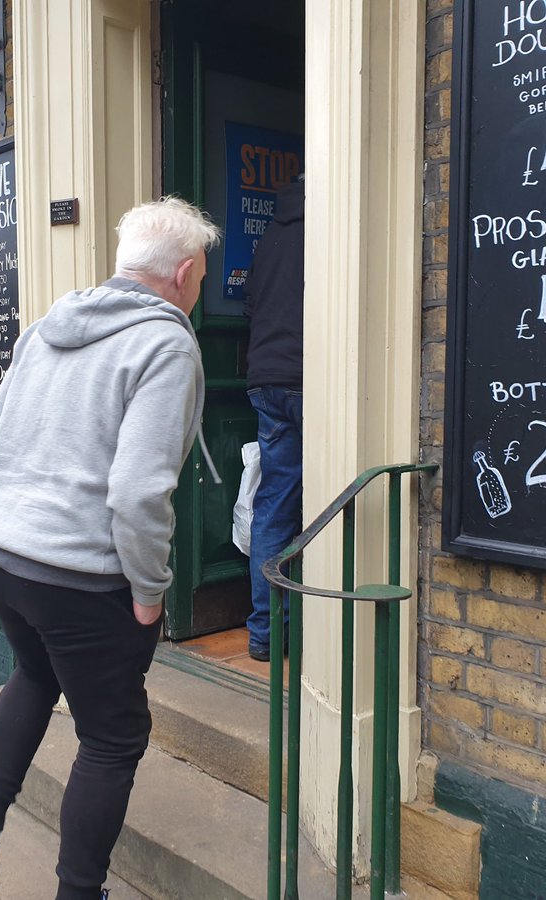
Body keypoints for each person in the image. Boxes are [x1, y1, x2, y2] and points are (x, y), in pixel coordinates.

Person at [0, 197, 220, 900]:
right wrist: (151, 594)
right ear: (185, 273)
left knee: (34, 677)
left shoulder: (45, 326)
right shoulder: (167, 344)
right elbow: (136, 492)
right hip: (79, 577)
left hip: (0, 554)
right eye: (204, 276)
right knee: (112, 736)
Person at [244, 177, 304, 662]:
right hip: (309, 379)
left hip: (264, 379)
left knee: (274, 505)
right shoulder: (325, 231)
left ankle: (265, 635)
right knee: (330, 499)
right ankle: (317, 635)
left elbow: (251, 306)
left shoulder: (268, 239)